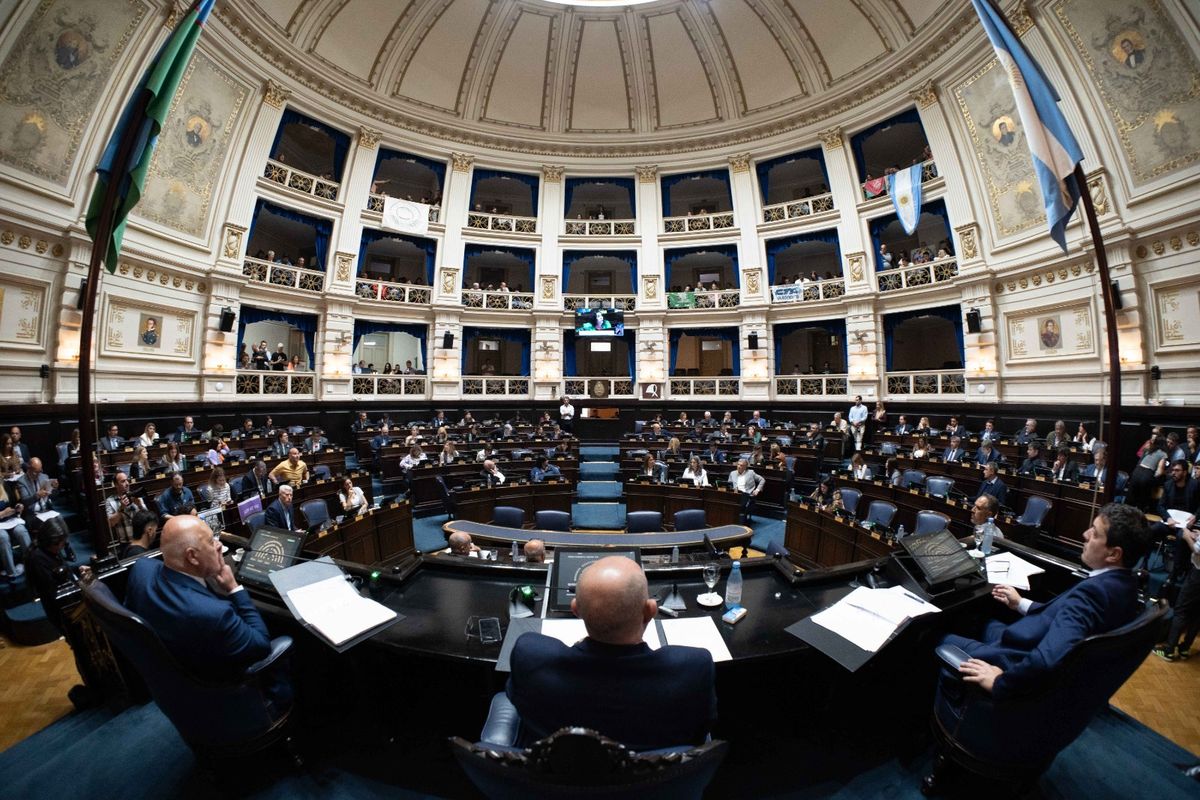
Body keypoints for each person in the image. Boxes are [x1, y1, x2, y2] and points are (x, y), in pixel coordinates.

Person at [507, 555, 716, 750]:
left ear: (576, 609)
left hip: (556, 774)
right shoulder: (694, 667)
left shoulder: (530, 655)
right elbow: (701, 729)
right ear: (650, 610)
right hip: (661, 777)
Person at [941, 504, 1149, 698]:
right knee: (981, 621)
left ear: (1114, 553)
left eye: (1094, 533)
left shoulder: (1093, 594)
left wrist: (999, 682)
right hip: (1025, 637)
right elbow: (1063, 615)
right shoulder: (1126, 585)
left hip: (1014, 657)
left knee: (939, 636)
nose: (1085, 535)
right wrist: (1020, 603)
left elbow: (1047, 659)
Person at [124, 516, 291, 709]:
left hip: (175, 690)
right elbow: (261, 644)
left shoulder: (141, 569)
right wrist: (234, 588)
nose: (219, 545)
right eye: (211, 541)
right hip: (226, 699)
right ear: (192, 556)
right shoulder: (213, 614)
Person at [105, 471, 148, 543]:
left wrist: (140, 505)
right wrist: (121, 508)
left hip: (141, 540)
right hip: (125, 543)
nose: (127, 483)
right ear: (116, 484)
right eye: (123, 481)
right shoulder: (110, 501)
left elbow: (148, 518)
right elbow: (110, 523)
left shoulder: (136, 496)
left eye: (127, 480)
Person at [0, 482, 30, 577]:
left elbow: (15, 503)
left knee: (21, 531)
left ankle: (31, 564)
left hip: (10, 520)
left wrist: (18, 508)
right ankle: (11, 572)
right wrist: (2, 514)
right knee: (3, 537)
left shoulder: (5, 485)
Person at [728, 458, 765, 523]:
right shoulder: (732, 473)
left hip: (746, 494)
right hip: (735, 494)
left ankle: (739, 519)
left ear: (745, 467)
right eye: (738, 464)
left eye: (741, 465)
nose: (739, 466)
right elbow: (729, 484)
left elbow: (762, 480)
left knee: (741, 499)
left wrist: (757, 490)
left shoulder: (751, 473)